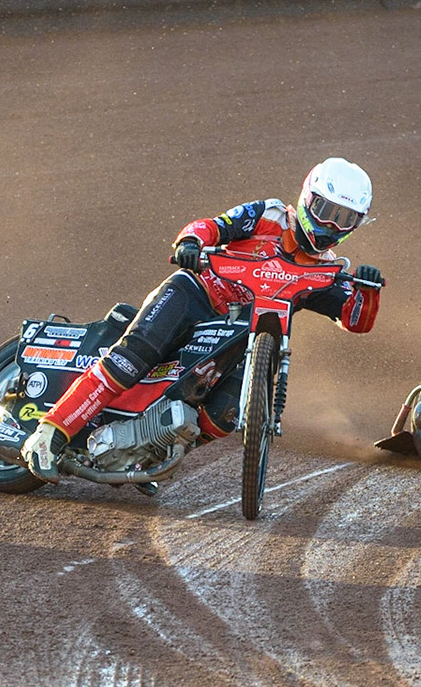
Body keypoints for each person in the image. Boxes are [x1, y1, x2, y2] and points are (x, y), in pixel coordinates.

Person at [19, 158, 385, 481]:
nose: (331, 225)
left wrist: (369, 291)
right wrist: (190, 242)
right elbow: (212, 226)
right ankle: (49, 434)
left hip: (242, 336)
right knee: (130, 360)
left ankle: (145, 452)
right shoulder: (269, 215)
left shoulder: (326, 270)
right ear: (308, 198)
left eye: (345, 218)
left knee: (226, 413)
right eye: (326, 210)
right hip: (194, 294)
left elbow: (354, 318)